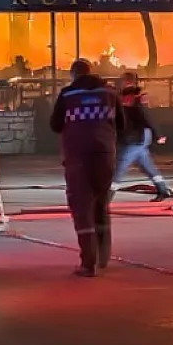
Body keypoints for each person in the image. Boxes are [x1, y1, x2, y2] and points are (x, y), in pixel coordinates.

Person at [48, 59, 124, 276]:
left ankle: (88, 263)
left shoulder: (68, 94)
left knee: (82, 208)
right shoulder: (110, 94)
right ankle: (103, 257)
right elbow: (122, 124)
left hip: (78, 156)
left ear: (73, 75)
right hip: (105, 156)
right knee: (101, 204)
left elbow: (55, 125)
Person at [115, 75, 172, 201]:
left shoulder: (136, 106)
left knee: (118, 168)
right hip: (137, 140)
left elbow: (148, 120)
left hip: (134, 141)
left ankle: (104, 200)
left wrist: (159, 135)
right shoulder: (129, 104)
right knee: (147, 166)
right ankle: (162, 190)